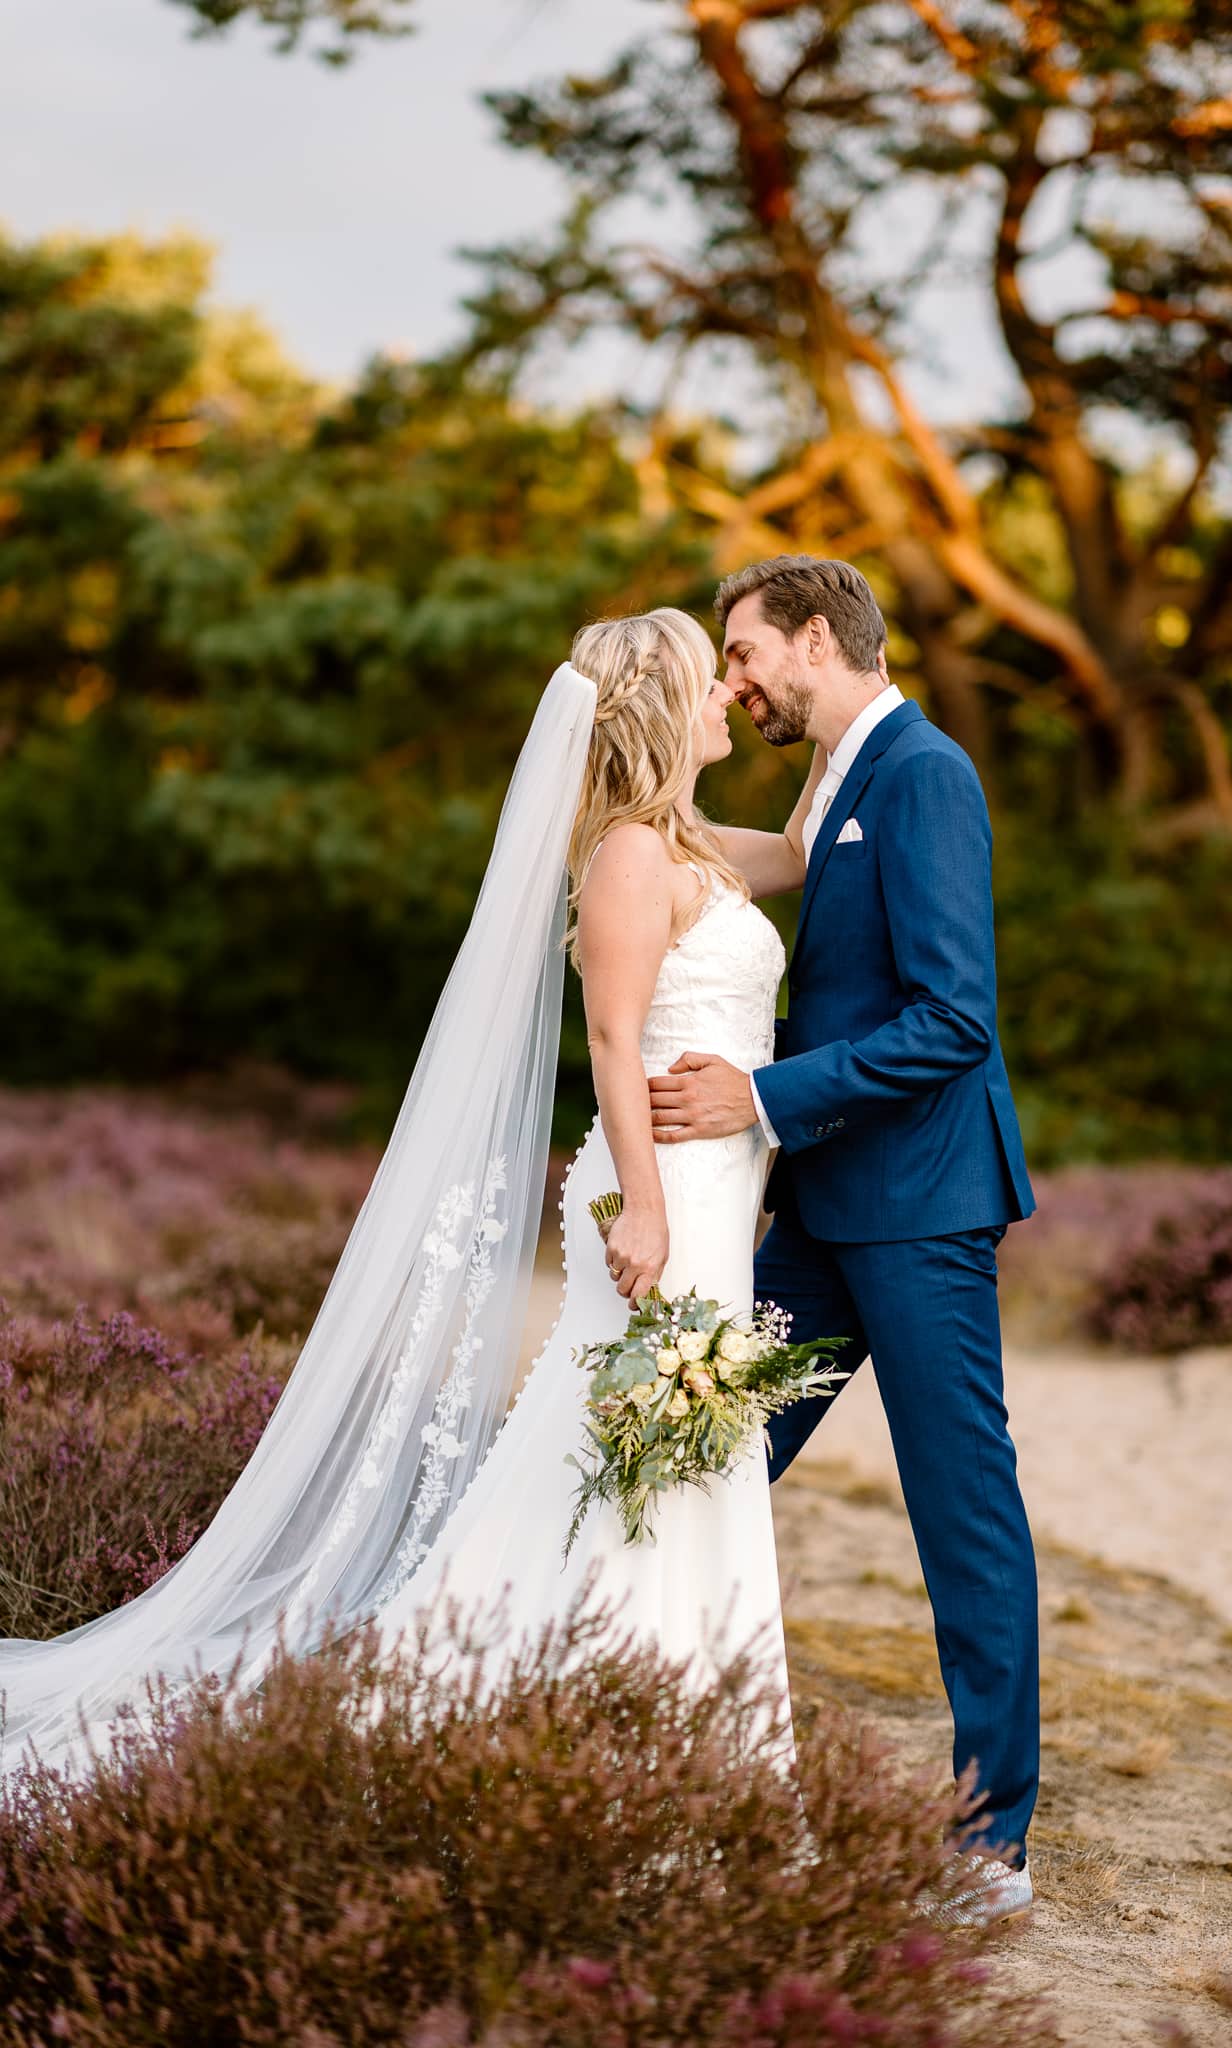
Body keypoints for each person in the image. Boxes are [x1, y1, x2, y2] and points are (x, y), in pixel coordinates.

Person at [0, 607, 821, 1792]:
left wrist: (848, 700)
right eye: (711, 681)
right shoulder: (632, 857)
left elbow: (803, 847)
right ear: (658, 711)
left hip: (708, 1183)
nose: (726, 701)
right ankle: (582, 1705)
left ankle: (646, 1701)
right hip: (662, 1184)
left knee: (655, 1437)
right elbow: (610, 1033)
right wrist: (642, 1202)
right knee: (644, 1431)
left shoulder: (691, 843)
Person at [648, 555, 1040, 1922]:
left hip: (924, 1214)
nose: (736, 677)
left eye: (747, 650)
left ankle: (990, 1849)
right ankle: (623, 1741)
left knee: (961, 1519)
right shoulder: (832, 781)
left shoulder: (923, 772)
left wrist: (760, 1098)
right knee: (696, 1451)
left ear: (817, 639)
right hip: (818, 1216)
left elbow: (952, 1020)